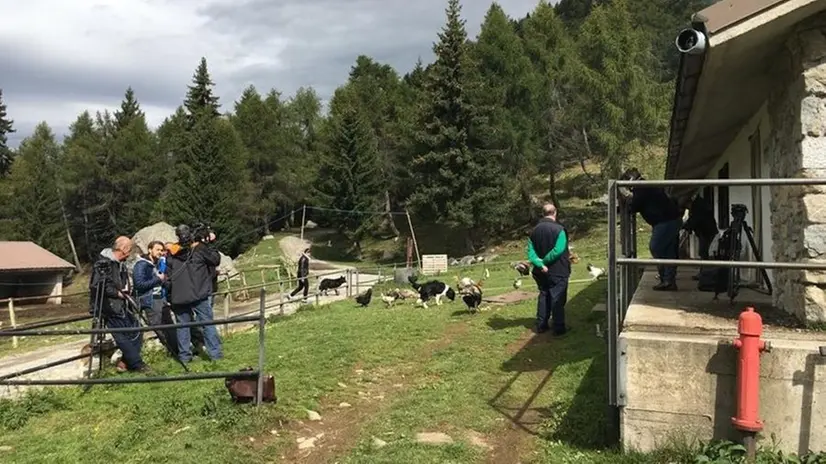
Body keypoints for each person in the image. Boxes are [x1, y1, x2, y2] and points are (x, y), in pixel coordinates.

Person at [88, 236, 149, 373]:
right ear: (124, 249)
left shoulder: (118, 264)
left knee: (137, 331)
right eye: (130, 249)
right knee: (122, 336)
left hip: (122, 304)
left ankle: (126, 362)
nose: (130, 252)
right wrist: (118, 293)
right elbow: (97, 286)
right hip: (109, 306)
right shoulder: (104, 264)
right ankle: (138, 364)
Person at [166, 225, 223, 364]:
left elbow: (168, 275)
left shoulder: (171, 253)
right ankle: (215, 354)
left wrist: (169, 296)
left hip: (179, 296)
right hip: (199, 294)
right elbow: (215, 259)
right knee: (207, 324)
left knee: (182, 327)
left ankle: (184, 357)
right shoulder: (199, 249)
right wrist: (210, 243)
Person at [621, 168, 683, 291]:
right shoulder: (645, 186)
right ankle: (668, 280)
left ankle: (666, 277)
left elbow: (633, 207)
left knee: (656, 247)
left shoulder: (642, 188)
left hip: (665, 221)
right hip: (669, 220)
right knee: (668, 251)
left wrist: (626, 196)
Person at [527, 203, 571, 335]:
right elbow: (558, 249)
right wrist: (545, 262)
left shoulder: (533, 231)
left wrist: (540, 264)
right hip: (558, 270)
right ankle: (558, 328)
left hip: (540, 271)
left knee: (544, 295)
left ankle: (541, 325)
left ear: (543, 213)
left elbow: (531, 252)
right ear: (555, 212)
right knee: (557, 298)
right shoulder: (560, 229)